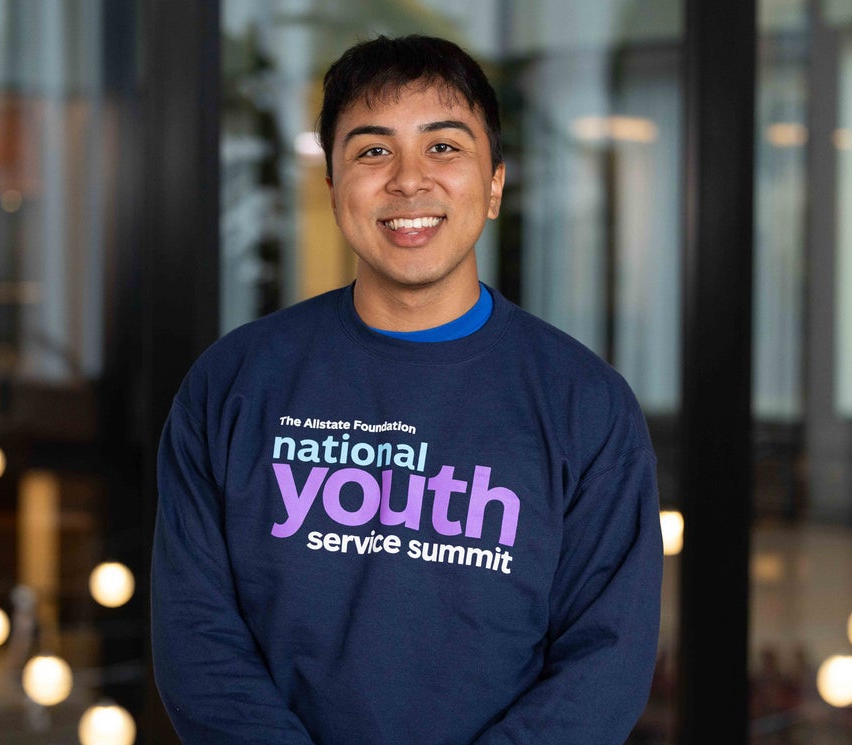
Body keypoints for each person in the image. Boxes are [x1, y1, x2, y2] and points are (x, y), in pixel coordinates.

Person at [151, 34, 662, 745]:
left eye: (444, 147)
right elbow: (197, 638)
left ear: (494, 185)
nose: (409, 180)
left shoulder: (586, 404)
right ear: (332, 188)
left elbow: (605, 661)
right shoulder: (232, 385)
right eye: (372, 150)